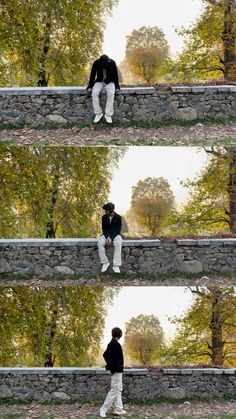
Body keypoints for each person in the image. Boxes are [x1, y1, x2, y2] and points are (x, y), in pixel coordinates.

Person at [100, 327, 126, 418]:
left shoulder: (114, 343)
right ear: (119, 335)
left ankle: (119, 409)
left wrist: (112, 365)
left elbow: (108, 356)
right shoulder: (113, 344)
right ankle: (103, 409)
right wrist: (112, 366)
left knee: (118, 389)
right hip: (116, 370)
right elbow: (105, 355)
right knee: (114, 390)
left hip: (118, 370)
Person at [86, 54, 120, 124]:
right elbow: (93, 75)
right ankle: (98, 113)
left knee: (111, 93)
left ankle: (108, 115)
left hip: (110, 81)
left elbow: (115, 75)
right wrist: (90, 86)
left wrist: (117, 86)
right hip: (99, 81)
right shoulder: (96, 63)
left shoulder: (112, 62)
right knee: (94, 93)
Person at [97, 202, 122, 273]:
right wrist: (107, 236)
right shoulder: (104, 217)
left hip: (115, 235)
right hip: (106, 234)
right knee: (100, 243)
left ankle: (116, 265)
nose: (105, 211)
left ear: (110, 210)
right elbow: (104, 229)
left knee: (118, 243)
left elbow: (118, 230)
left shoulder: (118, 217)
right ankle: (105, 262)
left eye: (106, 210)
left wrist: (111, 238)